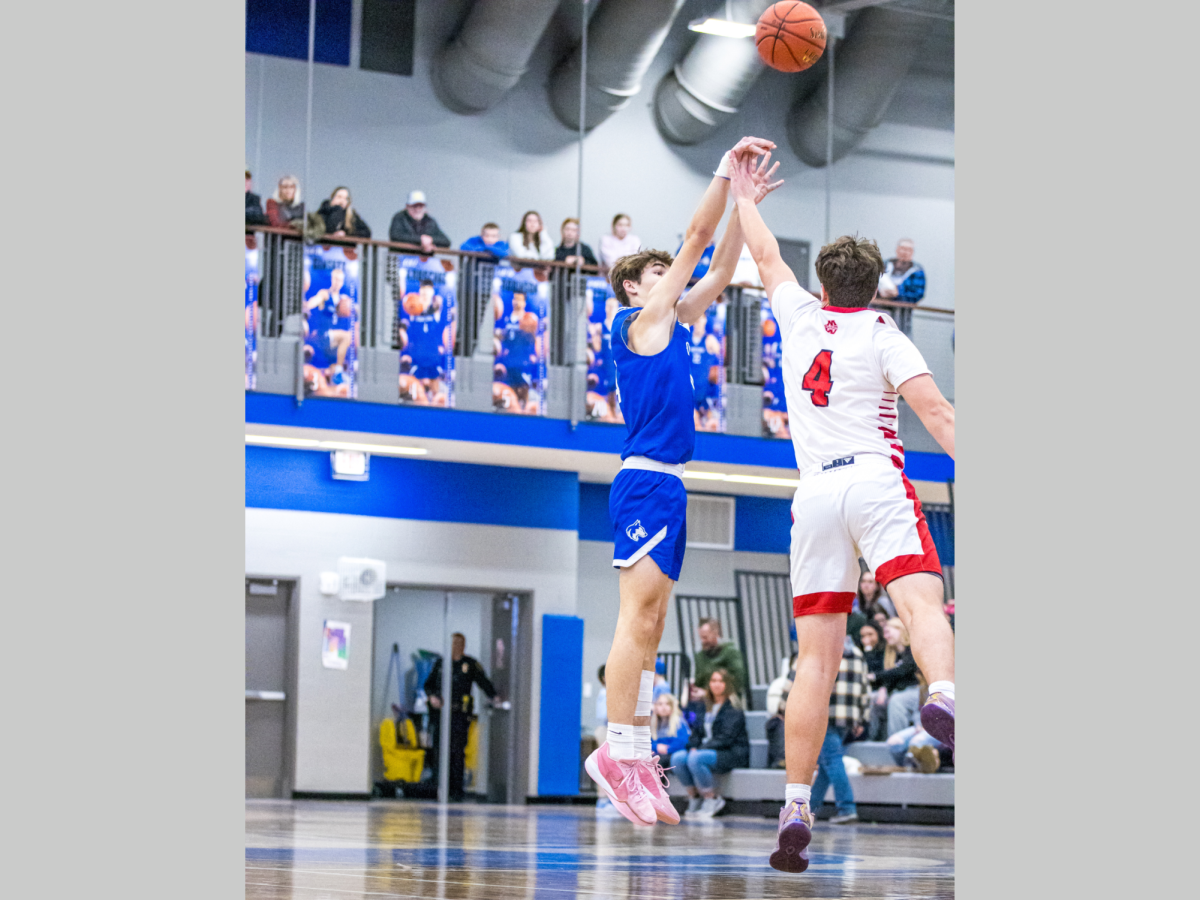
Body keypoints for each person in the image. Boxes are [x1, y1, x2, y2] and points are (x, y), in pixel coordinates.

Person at [728, 152, 955, 874]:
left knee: (814, 664)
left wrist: (743, 194)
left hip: (815, 494)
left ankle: (796, 803)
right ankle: (944, 694)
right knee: (923, 604)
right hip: (877, 478)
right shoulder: (886, 336)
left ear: (824, 283)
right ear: (877, 283)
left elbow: (763, 253)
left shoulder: (797, 314)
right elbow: (939, 415)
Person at [582, 137, 781, 829]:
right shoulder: (639, 320)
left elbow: (720, 264)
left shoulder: (678, 321)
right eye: (660, 272)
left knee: (656, 621)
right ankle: (617, 753)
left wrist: (744, 208)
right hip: (642, 482)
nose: (673, 276)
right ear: (635, 287)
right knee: (635, 620)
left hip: (670, 484)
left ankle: (634, 757)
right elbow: (696, 238)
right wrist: (727, 169)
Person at [423, 632, 497, 802]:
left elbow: (483, 682)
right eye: (454, 643)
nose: (456, 646)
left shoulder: (469, 664)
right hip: (442, 714)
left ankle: (457, 791)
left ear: (464, 646)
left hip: (460, 715)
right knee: (441, 751)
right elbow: (428, 685)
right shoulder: (441, 664)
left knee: (457, 752)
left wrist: (494, 696)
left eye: (459, 643)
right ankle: (441, 788)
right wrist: (432, 697)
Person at [669, 669, 749, 818]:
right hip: (704, 749)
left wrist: (698, 750)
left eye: (721, 681)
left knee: (695, 758)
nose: (716, 684)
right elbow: (696, 733)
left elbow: (726, 738)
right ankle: (695, 797)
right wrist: (693, 746)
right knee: (677, 758)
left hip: (730, 752)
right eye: (713, 681)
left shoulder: (733, 709)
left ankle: (712, 798)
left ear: (728, 685)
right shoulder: (703, 706)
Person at [810, 636, 872, 824]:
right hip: (849, 716)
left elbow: (804, 680)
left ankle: (847, 808)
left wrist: (782, 706)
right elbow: (865, 688)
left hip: (825, 713)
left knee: (832, 760)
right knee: (826, 764)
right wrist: (863, 717)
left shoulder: (822, 648)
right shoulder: (857, 653)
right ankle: (809, 807)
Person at [868, 617, 922, 738]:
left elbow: (903, 671)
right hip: (899, 690)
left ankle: (896, 741)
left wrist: (875, 676)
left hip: (919, 690)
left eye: (888, 632)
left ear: (900, 630)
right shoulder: (892, 654)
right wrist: (883, 689)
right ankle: (871, 739)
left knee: (897, 701)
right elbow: (892, 675)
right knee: (872, 699)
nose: (885, 636)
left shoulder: (913, 649)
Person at [303, 266, 354, 388]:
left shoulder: (343, 300)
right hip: (323, 335)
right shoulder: (325, 294)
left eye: (340, 280)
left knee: (349, 339)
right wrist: (307, 305)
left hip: (333, 342)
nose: (337, 282)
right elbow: (315, 300)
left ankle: (335, 374)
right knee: (347, 336)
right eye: (335, 279)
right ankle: (338, 371)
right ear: (332, 279)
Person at [690, 618, 749, 709]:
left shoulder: (730, 653)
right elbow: (699, 681)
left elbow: (739, 679)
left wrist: (708, 691)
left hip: (728, 702)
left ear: (715, 634)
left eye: (705, 637)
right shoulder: (700, 656)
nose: (703, 641)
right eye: (701, 637)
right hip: (705, 702)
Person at [876, 239, 925, 336]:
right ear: (897, 250)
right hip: (879, 313)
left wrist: (897, 293)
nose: (905, 252)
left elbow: (918, 294)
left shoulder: (917, 271)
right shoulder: (884, 265)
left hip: (901, 317)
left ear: (912, 252)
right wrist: (880, 292)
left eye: (908, 250)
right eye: (902, 249)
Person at [650, 693, 691, 760]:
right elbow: (649, 741)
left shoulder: (679, 722)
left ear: (673, 706)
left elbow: (683, 742)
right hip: (657, 754)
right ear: (655, 707)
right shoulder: (652, 723)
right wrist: (656, 747)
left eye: (667, 704)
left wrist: (668, 749)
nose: (664, 707)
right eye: (660, 704)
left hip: (673, 754)